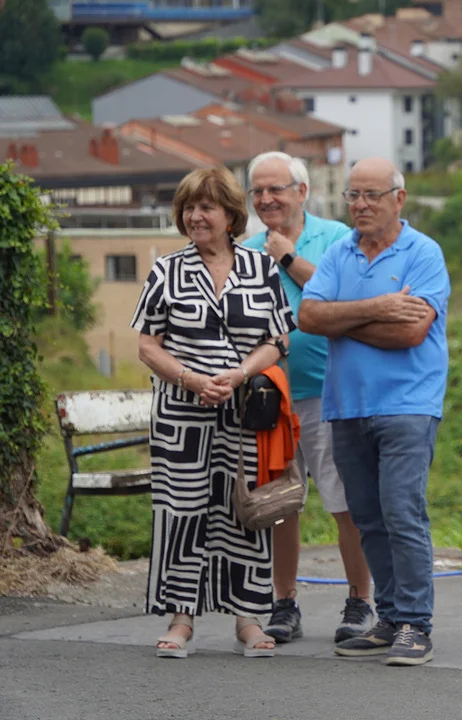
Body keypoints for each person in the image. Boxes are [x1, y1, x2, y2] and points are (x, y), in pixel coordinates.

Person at [131, 167, 294, 659]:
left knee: (245, 510)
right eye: (188, 207)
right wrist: (192, 380)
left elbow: (278, 340)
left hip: (243, 414)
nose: (195, 216)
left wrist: (239, 374)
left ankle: (249, 619)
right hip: (182, 417)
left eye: (206, 207)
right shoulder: (166, 270)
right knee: (183, 512)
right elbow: (147, 345)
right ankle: (181, 618)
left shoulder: (260, 268)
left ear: (229, 215)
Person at [298, 157, 451, 667]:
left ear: (398, 199)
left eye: (372, 195)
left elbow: (410, 332)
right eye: (353, 195)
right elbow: (308, 316)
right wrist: (378, 306)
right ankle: (389, 617)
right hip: (346, 406)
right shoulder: (338, 252)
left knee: (402, 513)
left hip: (408, 405)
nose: (360, 205)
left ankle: (416, 624)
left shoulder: (423, 252)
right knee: (368, 517)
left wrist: (342, 319)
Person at [242, 151, 375, 645]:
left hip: (329, 393)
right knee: (280, 506)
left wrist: (287, 257)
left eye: (275, 188)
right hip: (270, 399)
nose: (266, 199)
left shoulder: (338, 237)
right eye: (258, 190)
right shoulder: (245, 250)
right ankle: (284, 602)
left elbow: (344, 302)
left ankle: (360, 600)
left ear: (302, 191)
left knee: (345, 503)